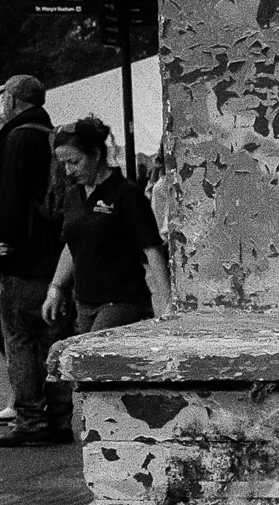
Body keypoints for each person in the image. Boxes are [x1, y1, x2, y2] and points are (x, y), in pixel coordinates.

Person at [0, 118, 169, 448]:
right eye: (62, 163)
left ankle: (120, 438)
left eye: (74, 162)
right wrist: (56, 288)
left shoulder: (127, 195)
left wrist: (165, 303)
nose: (67, 170)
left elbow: (152, 250)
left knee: (87, 360)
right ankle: (111, 437)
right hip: (85, 301)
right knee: (94, 374)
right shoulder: (76, 196)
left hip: (121, 300)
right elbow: (71, 245)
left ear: (96, 155)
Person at [0, 75, 60, 435]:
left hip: (22, 255)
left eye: (4, 94)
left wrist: (4, 245)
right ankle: (58, 414)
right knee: (49, 336)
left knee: (19, 336)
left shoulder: (17, 137)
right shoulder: (49, 134)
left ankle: (30, 419)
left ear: (16, 100)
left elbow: (9, 198)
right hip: (52, 254)